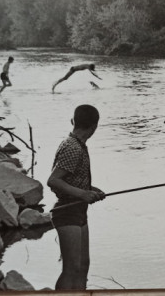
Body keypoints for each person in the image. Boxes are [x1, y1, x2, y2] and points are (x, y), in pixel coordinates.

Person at [47, 104, 106, 290]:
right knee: (71, 268)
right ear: (94, 126)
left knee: (83, 265)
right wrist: (83, 194)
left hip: (79, 210)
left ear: (73, 121)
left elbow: (73, 180)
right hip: (66, 211)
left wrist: (92, 190)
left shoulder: (77, 145)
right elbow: (53, 181)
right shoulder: (73, 148)